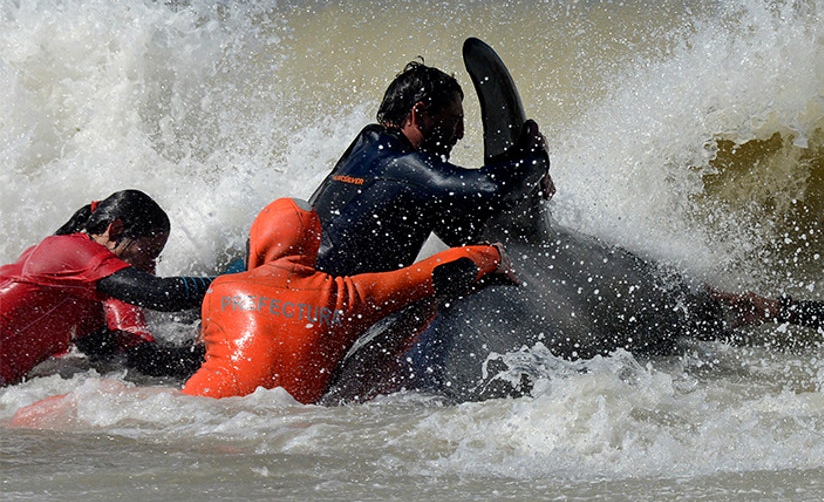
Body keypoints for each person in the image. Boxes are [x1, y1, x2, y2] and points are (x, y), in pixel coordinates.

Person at [181, 197, 513, 404]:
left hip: (197, 407)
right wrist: (492, 254)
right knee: (417, 310)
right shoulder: (347, 296)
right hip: (286, 421)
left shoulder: (221, 289)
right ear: (312, 245)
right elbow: (434, 270)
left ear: (259, 242)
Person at [308, 59, 553, 277]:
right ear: (420, 113)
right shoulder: (402, 165)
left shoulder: (368, 143)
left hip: (283, 290)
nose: (460, 133)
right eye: (454, 120)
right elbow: (493, 188)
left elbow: (454, 226)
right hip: (323, 309)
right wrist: (537, 158)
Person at [0, 190, 213, 386]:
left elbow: (135, 360)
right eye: (147, 253)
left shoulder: (85, 300)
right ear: (116, 230)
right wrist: (229, 283)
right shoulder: (69, 250)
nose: (150, 267)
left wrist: (200, 350)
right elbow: (162, 294)